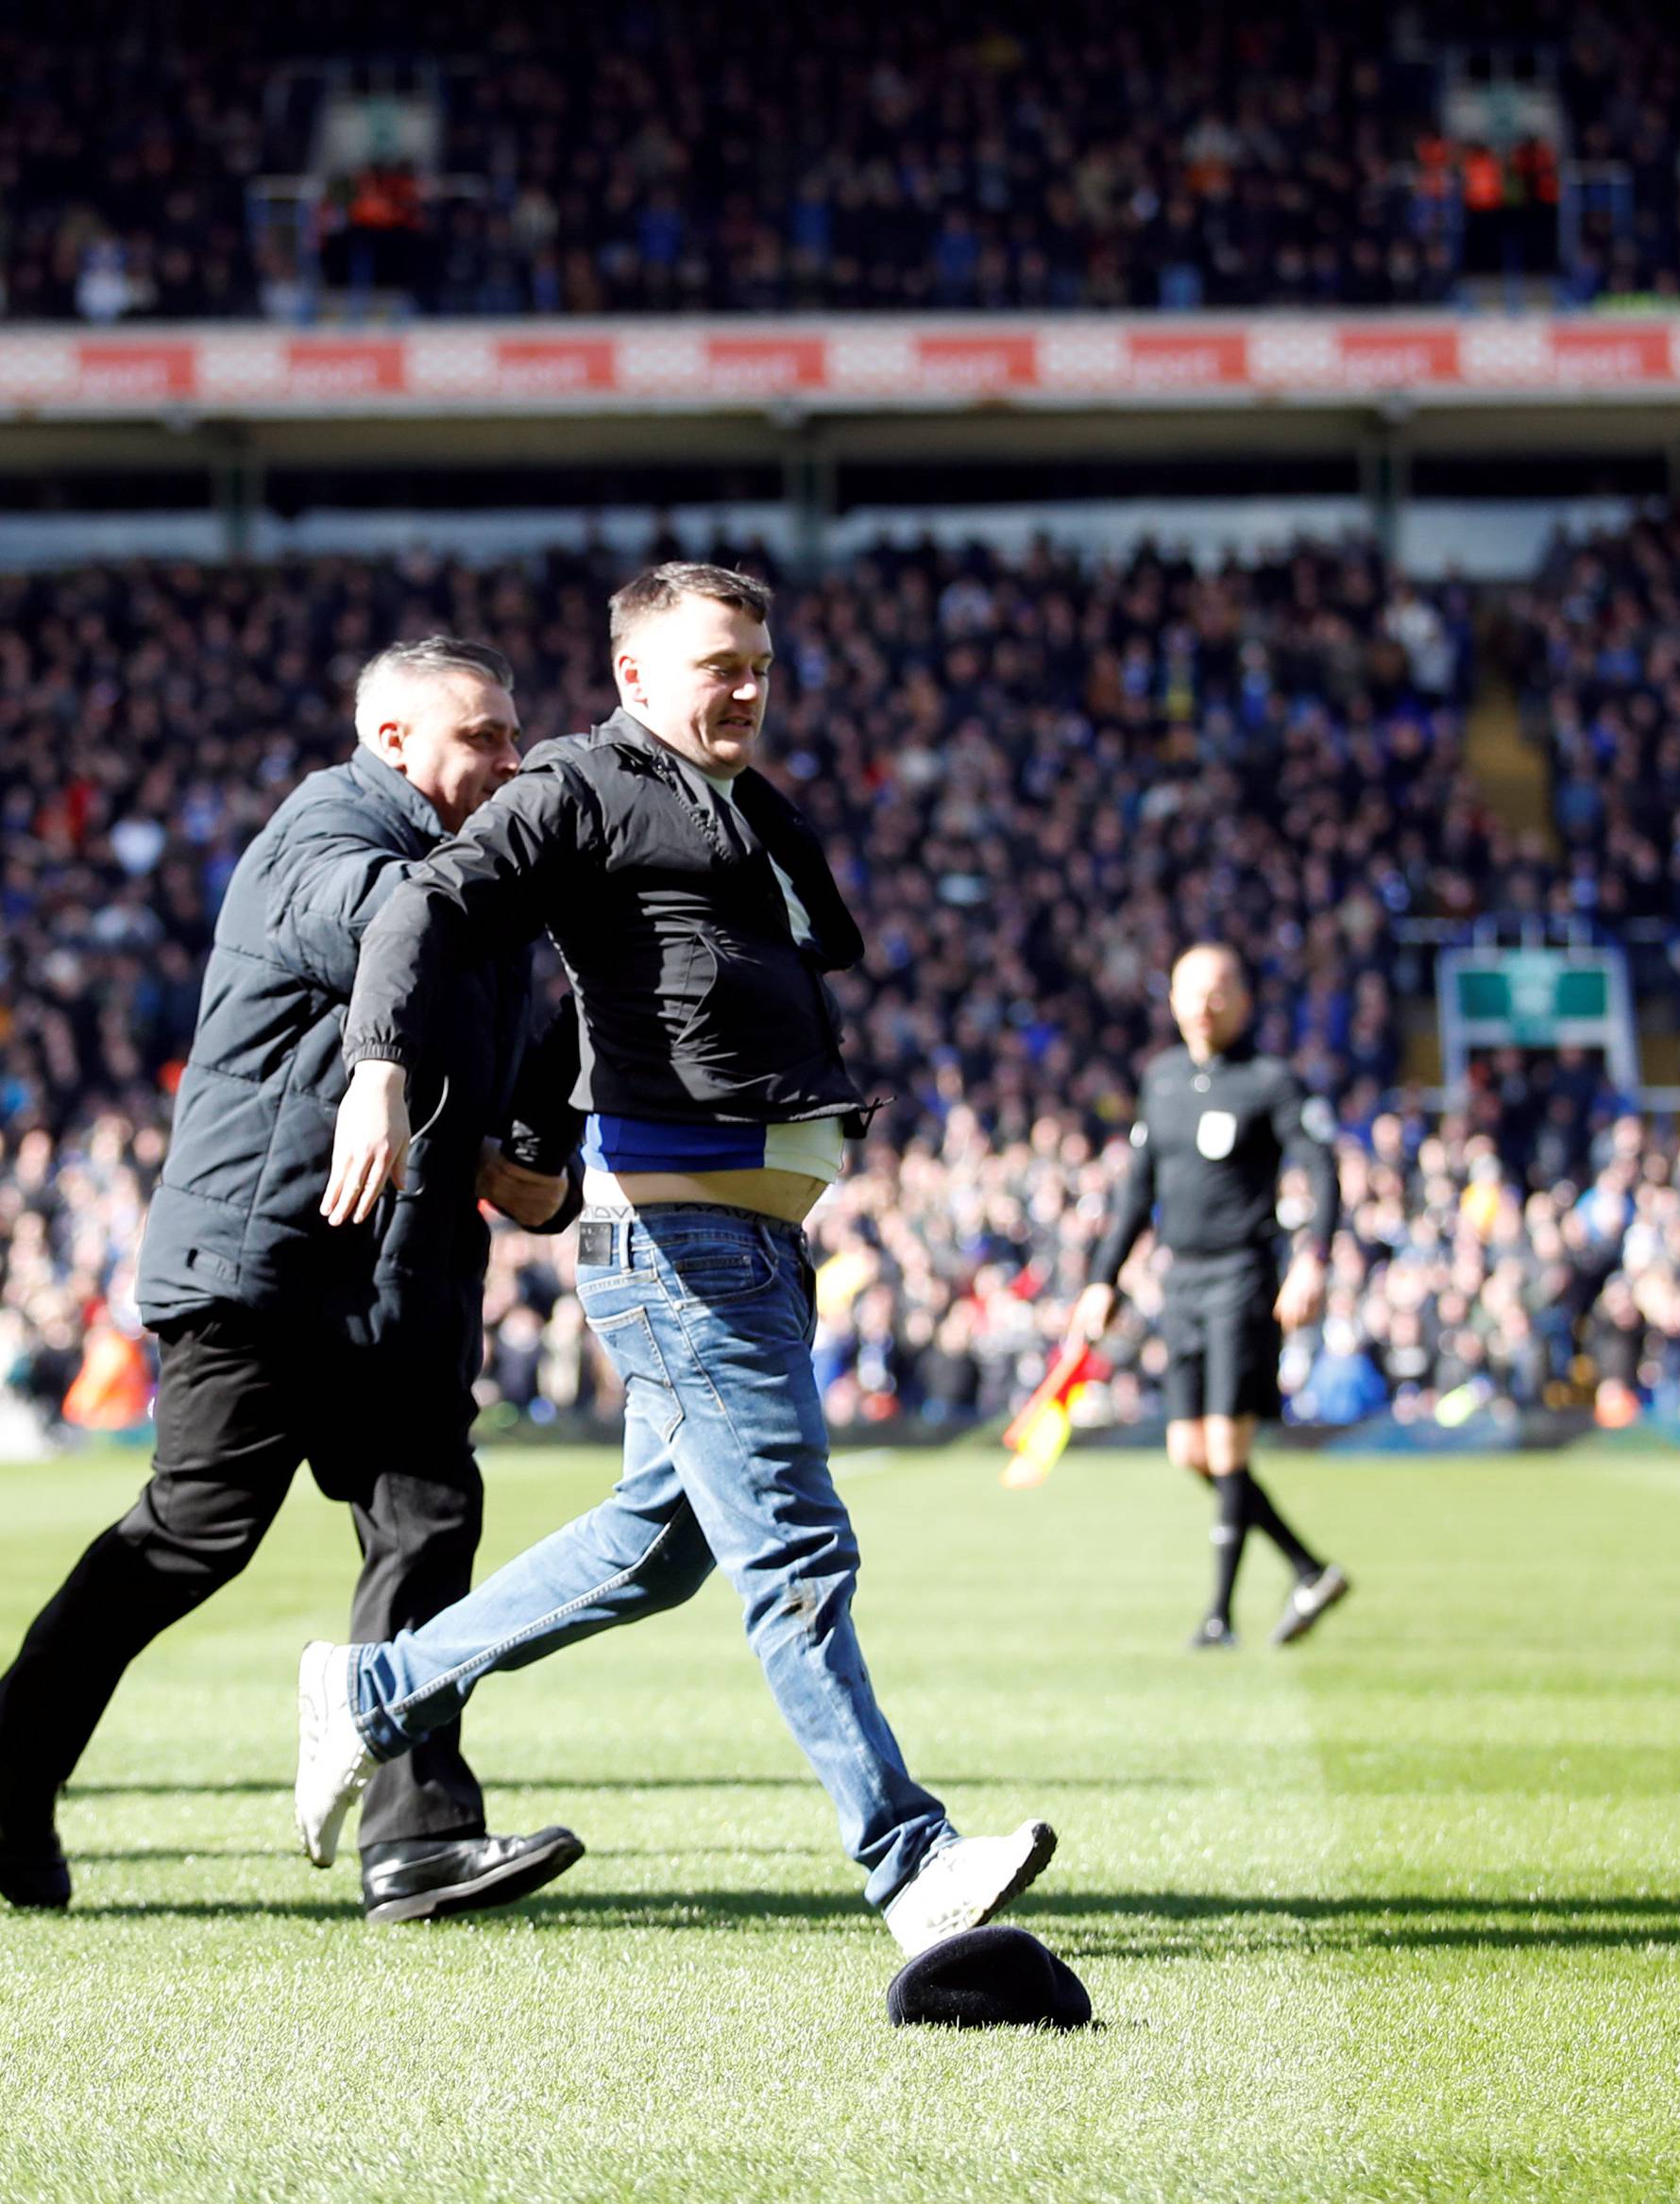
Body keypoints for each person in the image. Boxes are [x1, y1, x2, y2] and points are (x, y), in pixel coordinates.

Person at [297, 562, 1056, 1958]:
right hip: (678, 1237)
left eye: (761, 659)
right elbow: (425, 907)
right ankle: (910, 1859)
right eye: (721, 662)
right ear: (636, 677)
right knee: (796, 1547)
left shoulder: (747, 804)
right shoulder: (580, 787)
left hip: (753, 1231)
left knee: (654, 1549)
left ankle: (373, 1689)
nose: (750, 686)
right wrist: (379, 1068)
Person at [0, 638, 588, 1924]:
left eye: (513, 735)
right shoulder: (322, 833)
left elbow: (491, 1076)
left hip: (399, 1274)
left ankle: (419, 1838)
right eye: (483, 737)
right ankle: (5, 1781)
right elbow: (391, 934)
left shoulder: (484, 887)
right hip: (265, 1257)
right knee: (191, 1536)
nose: (510, 757)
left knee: (427, 1519)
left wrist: (540, 1159)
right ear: (392, 741)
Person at [1067, 942, 1350, 1651]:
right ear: (1171, 1000)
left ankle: (1219, 1616)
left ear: (1244, 999)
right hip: (1180, 1281)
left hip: (1244, 1277)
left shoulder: (1271, 1082)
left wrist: (1312, 1260)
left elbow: (1323, 1169)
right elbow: (1136, 1193)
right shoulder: (1160, 1080)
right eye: (1192, 990)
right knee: (1187, 1449)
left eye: (1220, 988)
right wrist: (1104, 1280)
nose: (1204, 1003)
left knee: (1226, 1443)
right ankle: (1308, 1566)